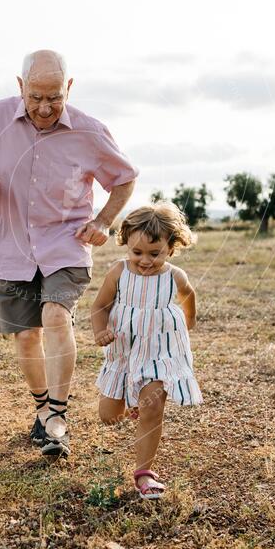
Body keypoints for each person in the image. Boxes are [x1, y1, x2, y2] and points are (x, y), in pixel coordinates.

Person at [0, 49, 138, 458]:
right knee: (25, 338)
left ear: (68, 87)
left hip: (65, 247)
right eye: (35, 96)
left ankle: (58, 418)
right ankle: (42, 413)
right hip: (10, 248)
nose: (44, 106)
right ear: (20, 87)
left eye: (54, 96)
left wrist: (104, 221)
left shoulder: (90, 131)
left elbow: (124, 179)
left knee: (55, 315)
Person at [91, 202, 202, 498]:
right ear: (126, 243)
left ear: (171, 247)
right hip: (124, 351)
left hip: (159, 352)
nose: (145, 260)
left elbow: (188, 295)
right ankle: (131, 401)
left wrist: (189, 319)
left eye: (155, 254)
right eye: (137, 252)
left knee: (153, 408)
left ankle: (144, 474)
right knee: (109, 415)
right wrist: (100, 331)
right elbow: (100, 306)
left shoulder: (174, 276)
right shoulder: (119, 271)